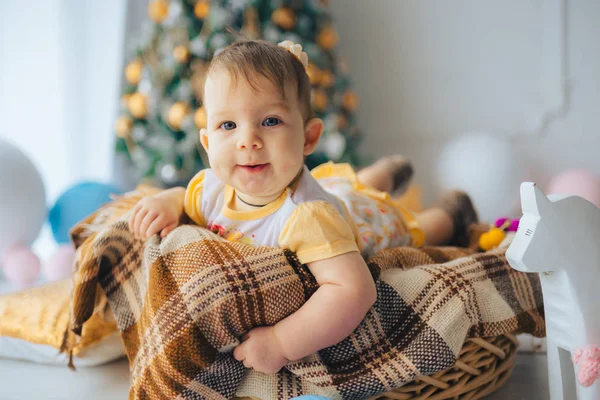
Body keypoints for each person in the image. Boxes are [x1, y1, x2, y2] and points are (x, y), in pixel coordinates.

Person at [128, 39, 478, 374]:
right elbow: (185, 196)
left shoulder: (309, 217)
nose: (247, 140)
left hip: (367, 221)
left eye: (270, 121)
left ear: (309, 138)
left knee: (411, 227)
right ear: (208, 142)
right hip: (331, 189)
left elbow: (354, 291)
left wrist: (281, 342)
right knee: (346, 184)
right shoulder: (211, 187)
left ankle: (451, 212)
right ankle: (384, 172)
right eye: (228, 125)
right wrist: (167, 200)